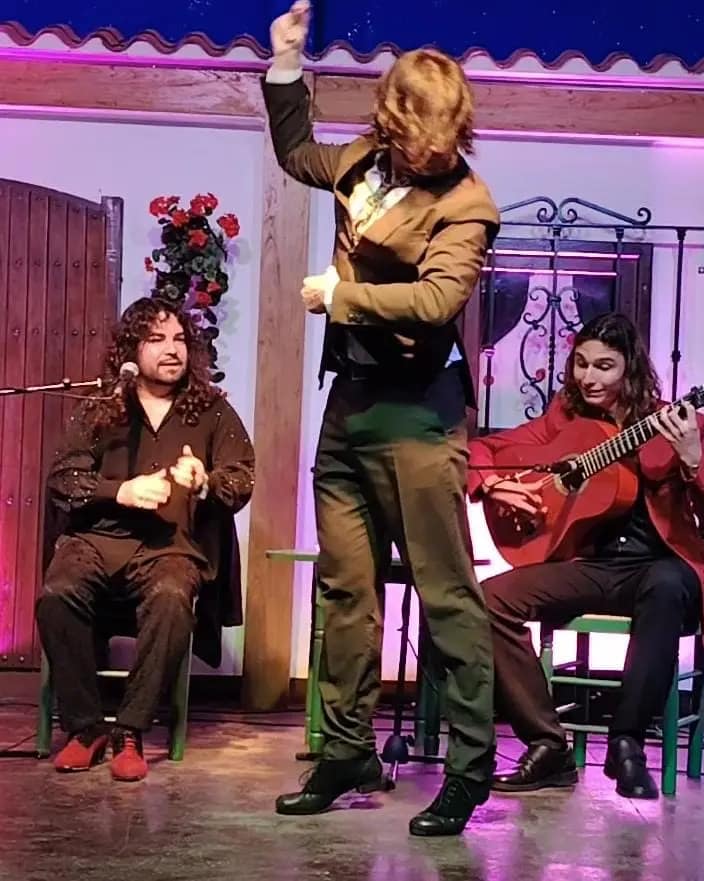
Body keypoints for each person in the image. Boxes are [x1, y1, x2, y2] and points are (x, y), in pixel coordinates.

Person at [262, 1, 500, 836]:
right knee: (345, 588)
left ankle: (469, 771)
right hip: (351, 403)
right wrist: (285, 66)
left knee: (446, 595)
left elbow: (435, 301)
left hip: (419, 416)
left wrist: (342, 296)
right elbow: (298, 153)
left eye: (435, 141)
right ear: (390, 120)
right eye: (409, 138)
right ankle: (345, 750)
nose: (422, 154)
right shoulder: (364, 157)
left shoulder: (467, 204)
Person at [468, 312, 704, 799]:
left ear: (629, 368)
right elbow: (481, 452)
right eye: (581, 364)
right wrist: (493, 485)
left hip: (660, 567)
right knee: (490, 599)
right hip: (591, 568)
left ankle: (626, 744)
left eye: (604, 366)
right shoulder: (563, 421)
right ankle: (548, 745)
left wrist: (693, 460)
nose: (588, 377)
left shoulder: (675, 422)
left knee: (666, 585)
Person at [36, 297, 255, 782]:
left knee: (173, 597)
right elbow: (63, 478)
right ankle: (86, 728)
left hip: (169, 547)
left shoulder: (212, 410)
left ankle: (131, 730)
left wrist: (204, 482)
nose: (171, 349)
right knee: (57, 594)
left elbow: (241, 478)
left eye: (179, 339)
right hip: (95, 541)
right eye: (156, 339)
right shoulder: (101, 406)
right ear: (131, 350)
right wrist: (121, 492)